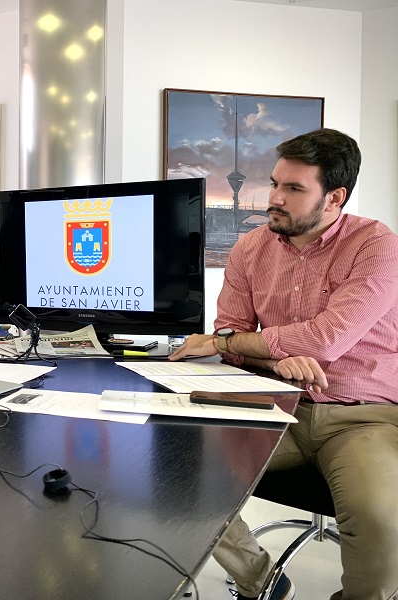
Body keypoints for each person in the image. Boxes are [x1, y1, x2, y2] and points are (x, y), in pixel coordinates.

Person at [170, 128, 398, 600]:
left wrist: (250, 343)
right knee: (178, 468)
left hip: (362, 415)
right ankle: (262, 583)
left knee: (380, 516)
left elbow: (325, 340)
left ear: (334, 197)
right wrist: (277, 356)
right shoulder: (249, 248)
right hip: (273, 403)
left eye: (293, 188)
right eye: (275, 183)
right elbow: (228, 339)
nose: (275, 197)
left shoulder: (376, 245)